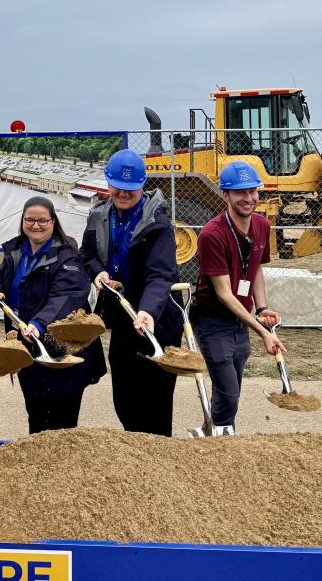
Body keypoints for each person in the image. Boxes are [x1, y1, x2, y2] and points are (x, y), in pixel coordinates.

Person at [80, 149, 181, 436]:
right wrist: (98, 272)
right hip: (124, 318)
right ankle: (136, 455)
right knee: (124, 398)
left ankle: (158, 457)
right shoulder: (98, 216)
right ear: (109, 184)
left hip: (155, 320)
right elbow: (86, 255)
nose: (124, 194)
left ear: (142, 185)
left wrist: (147, 310)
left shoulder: (157, 222)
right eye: (118, 187)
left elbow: (161, 274)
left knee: (156, 403)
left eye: (131, 189)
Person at [0, 195, 106, 433]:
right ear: (22, 221)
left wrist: (39, 323)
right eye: (30, 220)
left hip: (63, 350)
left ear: (53, 222)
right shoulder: (15, 251)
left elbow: (65, 296)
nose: (36, 225)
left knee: (62, 424)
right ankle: (37, 467)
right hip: (29, 347)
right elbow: (3, 275)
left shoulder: (67, 255)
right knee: (36, 415)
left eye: (42, 220)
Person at [191, 160, 285, 433]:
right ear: (226, 195)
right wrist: (264, 333)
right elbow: (224, 295)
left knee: (232, 386)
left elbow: (254, 270)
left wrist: (262, 308)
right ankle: (222, 440)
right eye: (240, 192)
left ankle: (213, 431)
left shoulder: (261, 225)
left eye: (252, 191)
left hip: (240, 320)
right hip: (213, 319)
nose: (249, 198)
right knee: (229, 393)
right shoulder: (212, 234)